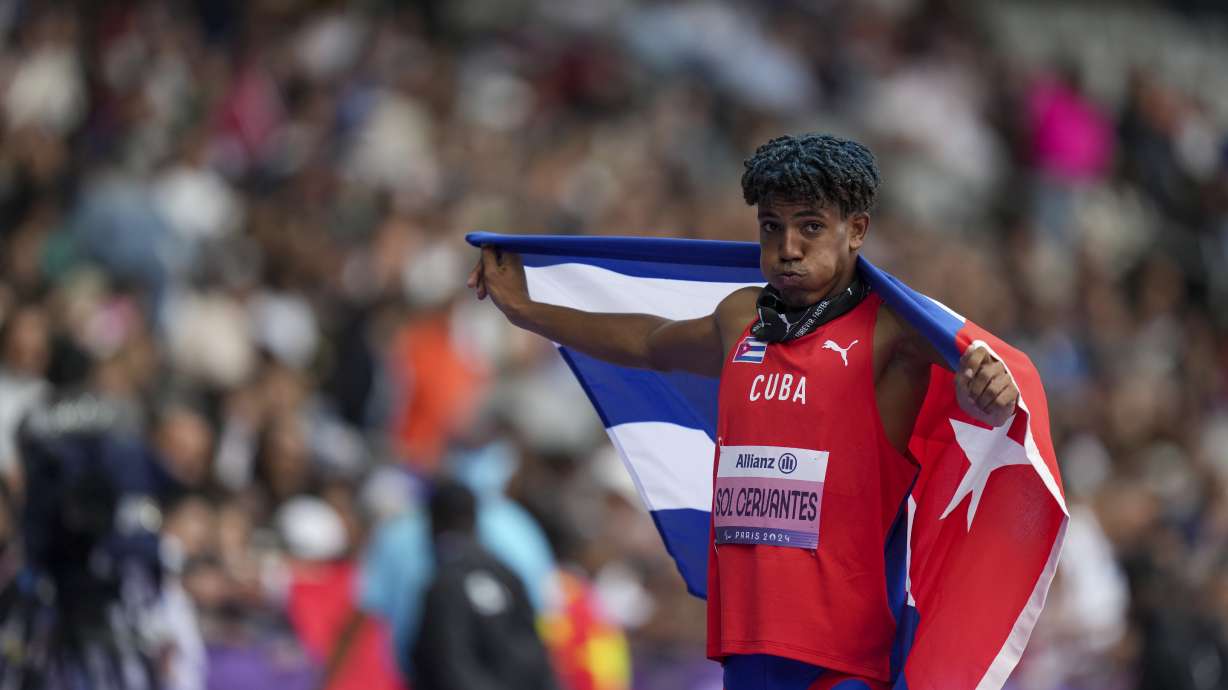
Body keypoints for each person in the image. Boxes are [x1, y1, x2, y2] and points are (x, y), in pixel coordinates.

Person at [466, 133, 1020, 690]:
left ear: (856, 230)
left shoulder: (893, 333)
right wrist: (526, 311)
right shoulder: (740, 318)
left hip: (842, 661)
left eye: (811, 227)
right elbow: (646, 342)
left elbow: (982, 387)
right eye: (771, 227)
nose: (788, 247)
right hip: (747, 647)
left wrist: (992, 392)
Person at [412, 480, 560, 690]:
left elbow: (445, 662)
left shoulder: (445, 583)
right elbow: (537, 652)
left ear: (433, 522)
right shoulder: (506, 573)